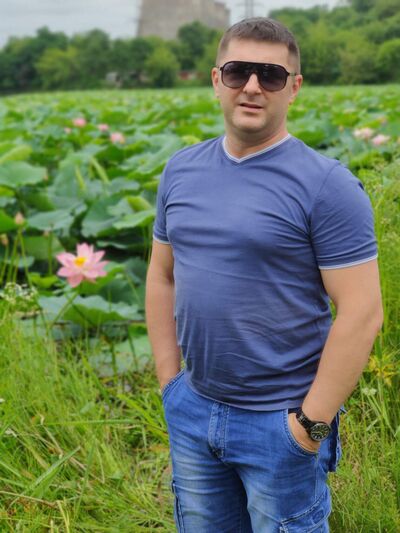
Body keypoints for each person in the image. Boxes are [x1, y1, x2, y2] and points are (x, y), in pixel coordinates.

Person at [145, 17, 384, 533]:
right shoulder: (179, 171)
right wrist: (170, 384)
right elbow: (162, 275)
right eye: (238, 72)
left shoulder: (327, 185)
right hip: (193, 407)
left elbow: (363, 312)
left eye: (271, 75)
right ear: (217, 80)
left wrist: (310, 424)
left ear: (293, 88)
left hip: (280, 421)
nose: (252, 86)